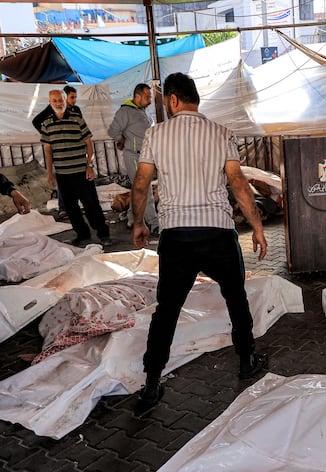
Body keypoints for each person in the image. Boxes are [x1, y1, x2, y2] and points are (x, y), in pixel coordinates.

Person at [131, 72, 268, 406]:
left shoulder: (155, 134)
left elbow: (140, 182)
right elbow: (237, 182)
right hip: (218, 231)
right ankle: (247, 360)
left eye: (166, 101)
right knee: (235, 296)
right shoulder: (221, 133)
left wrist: (138, 223)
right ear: (195, 99)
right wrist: (258, 227)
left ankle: (151, 381)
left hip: (177, 235)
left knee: (168, 309)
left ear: (174, 100)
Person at [40, 89, 112, 247]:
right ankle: (83, 235)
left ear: (65, 101)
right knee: (71, 209)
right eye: (54, 100)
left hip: (81, 172)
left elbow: (88, 144)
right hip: (62, 175)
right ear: (50, 102)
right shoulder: (46, 124)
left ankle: (103, 234)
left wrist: (90, 165)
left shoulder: (77, 119)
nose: (58, 103)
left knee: (91, 205)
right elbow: (48, 150)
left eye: (61, 100)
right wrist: (50, 173)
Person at [107, 83, 159, 234]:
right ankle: (154, 223)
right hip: (135, 155)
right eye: (147, 96)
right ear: (137, 96)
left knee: (138, 188)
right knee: (145, 188)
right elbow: (113, 130)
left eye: (150, 96)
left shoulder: (143, 112)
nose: (150, 100)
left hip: (145, 155)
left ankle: (131, 216)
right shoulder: (125, 112)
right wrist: (121, 140)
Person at [32, 85, 82, 221]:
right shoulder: (52, 110)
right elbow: (36, 121)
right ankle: (63, 207)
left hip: (73, 150)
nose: (74, 100)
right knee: (62, 179)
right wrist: (49, 136)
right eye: (72, 97)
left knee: (76, 179)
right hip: (59, 151)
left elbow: (82, 131)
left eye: (75, 97)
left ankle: (74, 206)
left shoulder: (76, 111)